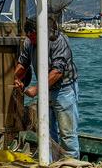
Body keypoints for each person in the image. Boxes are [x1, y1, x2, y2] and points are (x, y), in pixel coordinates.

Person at [14, 17, 80, 159]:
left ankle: (72, 167)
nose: (31, 39)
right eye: (29, 36)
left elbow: (57, 71)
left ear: (41, 32)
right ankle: (51, 164)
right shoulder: (28, 42)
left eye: (33, 36)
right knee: (47, 132)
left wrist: (36, 89)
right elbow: (23, 63)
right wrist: (14, 78)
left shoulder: (58, 40)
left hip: (64, 89)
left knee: (67, 134)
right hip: (46, 90)